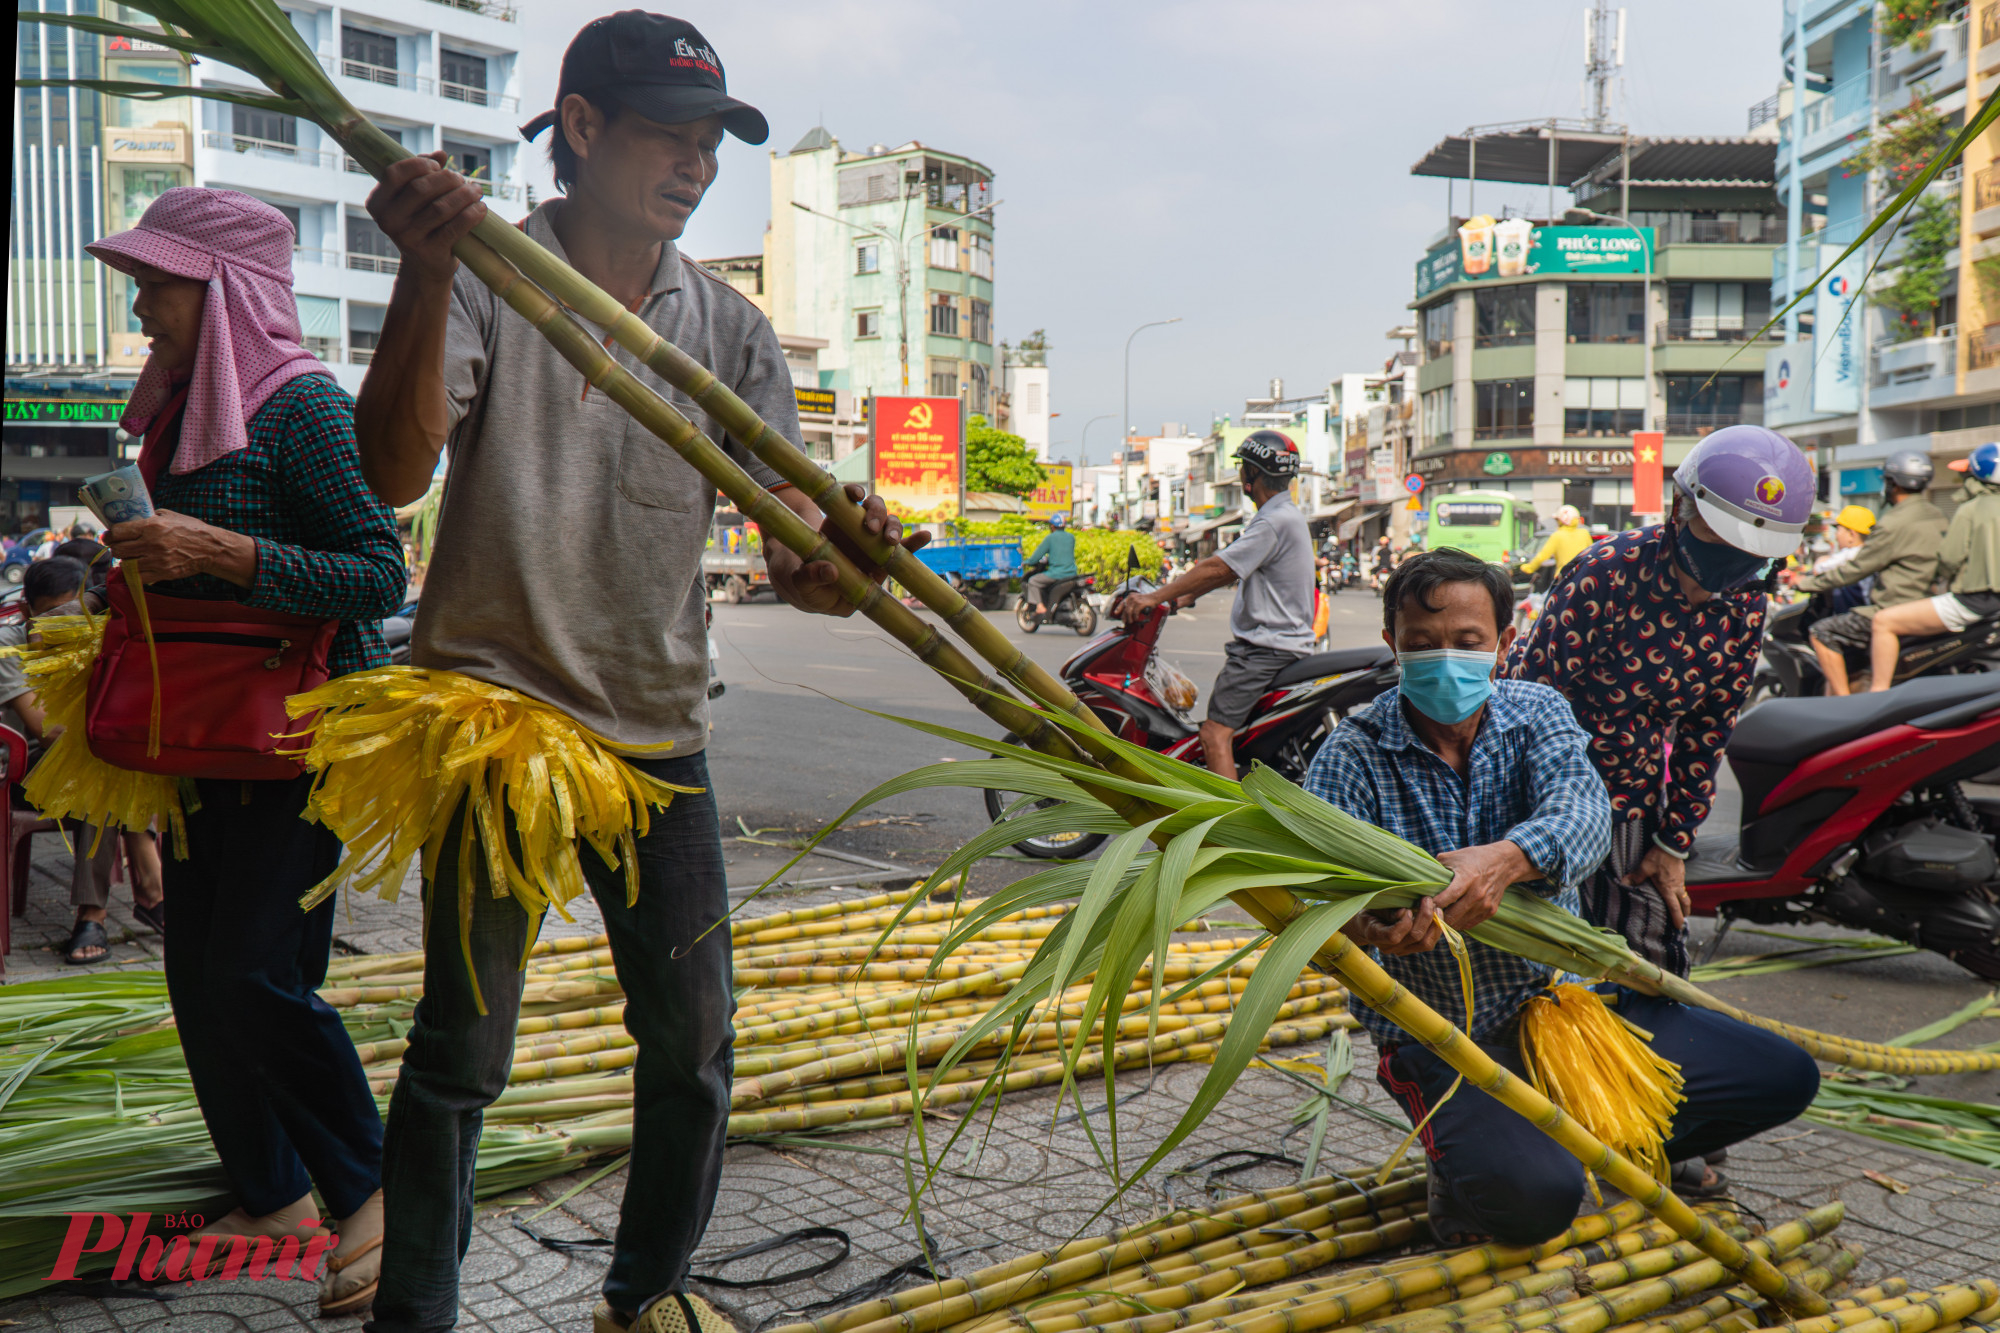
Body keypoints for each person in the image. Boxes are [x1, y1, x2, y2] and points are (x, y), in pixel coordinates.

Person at [352, 16, 921, 1333]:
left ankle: (646, 1294)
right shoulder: (495, 272)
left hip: (659, 733)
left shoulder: (728, 326)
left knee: (694, 1045)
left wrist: (851, 547)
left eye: (711, 139)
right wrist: (424, 277)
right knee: (462, 1053)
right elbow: (392, 475)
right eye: (667, 132)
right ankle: (416, 1310)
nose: (695, 162)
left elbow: (803, 571)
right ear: (585, 129)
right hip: (499, 717)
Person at [1304, 547, 1818, 1245]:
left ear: (1504, 642)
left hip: (1565, 1008)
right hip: (1445, 1037)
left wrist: (1507, 859)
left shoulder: (1535, 712)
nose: (1444, 659)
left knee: (1780, 1073)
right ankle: (1476, 1160)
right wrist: (1368, 927)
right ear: (1393, 642)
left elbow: (1584, 817)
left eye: (1466, 642)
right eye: (1422, 644)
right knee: (1538, 1202)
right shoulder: (1351, 755)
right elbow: (1317, 907)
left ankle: (1597, 1128)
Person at [87, 186, 404, 1315]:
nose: (141, 307)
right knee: (196, 972)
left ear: (223, 290)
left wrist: (220, 550)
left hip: (307, 731)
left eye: (156, 284)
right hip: (207, 729)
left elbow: (379, 573)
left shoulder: (303, 403)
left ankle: (373, 1186)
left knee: (259, 972)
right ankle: (272, 1189)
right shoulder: (172, 408)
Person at [1508, 426, 1814, 979]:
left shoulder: (1744, 604)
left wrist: (1674, 842)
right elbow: (1530, 700)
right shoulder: (1606, 573)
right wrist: (1536, 832)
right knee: (1543, 965)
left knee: (1650, 961)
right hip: (1547, 799)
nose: (1736, 558)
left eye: (1752, 548)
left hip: (1633, 800)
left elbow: (1709, 729)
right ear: (1681, 507)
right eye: (1722, 537)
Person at [1112, 430, 1312, 780]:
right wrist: (1185, 595)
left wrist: (1154, 597)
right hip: (1283, 646)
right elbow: (1233, 573)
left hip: (1264, 651)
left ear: (1250, 473)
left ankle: (1227, 828)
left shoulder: (1271, 521)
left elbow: (1218, 567)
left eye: (1243, 468)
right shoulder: (1285, 515)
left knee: (1213, 734)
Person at [16, 556, 170, 964]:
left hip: (88, 754)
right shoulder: (9, 645)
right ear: (27, 608)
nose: (67, 624)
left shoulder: (96, 636)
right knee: (102, 768)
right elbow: (44, 729)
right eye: (54, 615)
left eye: (75, 613)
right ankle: (148, 891)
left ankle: (95, 913)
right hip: (24, 767)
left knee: (111, 766)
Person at [1789, 450, 1946, 695]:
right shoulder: (1938, 516)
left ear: (1892, 484)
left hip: (1892, 606)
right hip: (1927, 606)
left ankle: (1844, 702)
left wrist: (1806, 583)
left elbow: (1855, 570)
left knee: (1821, 631)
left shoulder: (1893, 523)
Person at [1866, 442, 2000, 690]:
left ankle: (1876, 696)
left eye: (1966, 473)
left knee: (1883, 622)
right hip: (1992, 610)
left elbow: (1949, 559)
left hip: (1974, 601)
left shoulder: (1970, 509)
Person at [1024, 512, 1078, 615]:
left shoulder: (1050, 538)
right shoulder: (1071, 537)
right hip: (1072, 573)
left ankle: (1040, 606)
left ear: (1052, 526)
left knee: (1033, 581)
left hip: (1056, 574)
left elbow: (1036, 557)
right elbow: (1061, 552)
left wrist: (1028, 562)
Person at [1518, 505, 1592, 579]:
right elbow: (1592, 553)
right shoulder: (1584, 533)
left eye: (1557, 520)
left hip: (1563, 578)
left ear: (1561, 520)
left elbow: (1543, 556)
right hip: (1582, 576)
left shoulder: (1557, 535)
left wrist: (1529, 568)